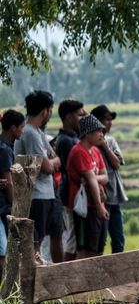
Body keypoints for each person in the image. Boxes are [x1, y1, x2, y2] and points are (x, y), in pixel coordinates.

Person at [14, 91, 62, 263]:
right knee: (35, 243)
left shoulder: (38, 132)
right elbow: (49, 166)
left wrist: (53, 160)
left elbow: (54, 157)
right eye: (50, 110)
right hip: (37, 194)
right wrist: (53, 161)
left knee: (39, 240)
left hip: (45, 193)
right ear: (45, 111)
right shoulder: (31, 134)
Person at [67, 115, 109, 259]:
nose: (102, 135)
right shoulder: (79, 151)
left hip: (97, 204)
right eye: (98, 131)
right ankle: (80, 281)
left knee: (98, 248)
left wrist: (92, 178)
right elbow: (91, 181)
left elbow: (105, 177)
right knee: (86, 250)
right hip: (86, 208)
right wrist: (99, 206)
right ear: (88, 133)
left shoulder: (96, 151)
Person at [91, 105, 127, 253]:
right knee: (100, 239)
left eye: (110, 120)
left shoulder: (110, 141)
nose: (110, 123)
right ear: (98, 121)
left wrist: (105, 145)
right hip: (101, 196)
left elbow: (117, 164)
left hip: (114, 196)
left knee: (118, 239)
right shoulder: (91, 144)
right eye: (107, 119)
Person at [54, 99, 86, 261]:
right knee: (73, 239)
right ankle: (66, 277)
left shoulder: (72, 138)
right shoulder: (66, 141)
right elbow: (73, 172)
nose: (84, 117)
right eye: (80, 115)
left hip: (74, 194)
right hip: (71, 195)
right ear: (68, 117)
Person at [0, 110, 25, 275]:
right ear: (13, 127)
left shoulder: (5, 146)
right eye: (21, 127)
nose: (22, 130)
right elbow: (8, 183)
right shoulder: (4, 150)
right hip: (3, 206)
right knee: (3, 252)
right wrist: (16, 207)